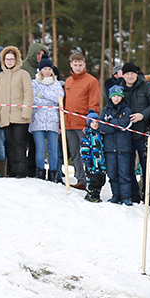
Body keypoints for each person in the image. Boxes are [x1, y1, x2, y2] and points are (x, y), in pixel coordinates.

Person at [120, 62, 150, 203]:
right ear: (123, 75)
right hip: (125, 135)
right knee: (128, 166)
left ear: (136, 74)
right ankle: (134, 195)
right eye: (127, 73)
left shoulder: (146, 86)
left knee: (147, 166)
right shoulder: (119, 89)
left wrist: (143, 115)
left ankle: (148, 196)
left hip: (144, 132)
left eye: (132, 73)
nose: (130, 76)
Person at [0, 46, 33, 178]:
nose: (9, 61)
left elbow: (28, 94)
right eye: (7, 59)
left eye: (12, 59)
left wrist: (26, 112)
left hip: (20, 116)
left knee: (19, 142)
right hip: (5, 116)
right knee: (8, 143)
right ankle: (12, 169)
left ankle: (21, 170)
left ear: (16, 60)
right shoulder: (0, 76)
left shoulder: (23, 74)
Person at [63, 51, 102, 188]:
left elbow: (94, 103)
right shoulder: (68, 81)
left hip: (83, 124)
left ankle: (91, 179)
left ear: (84, 65)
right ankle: (81, 180)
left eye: (80, 65)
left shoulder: (91, 81)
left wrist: (91, 121)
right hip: (69, 124)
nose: (78, 67)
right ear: (71, 65)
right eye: (75, 65)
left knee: (87, 152)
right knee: (75, 153)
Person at [29, 57, 64, 181]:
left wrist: (43, 95)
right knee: (40, 148)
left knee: (53, 149)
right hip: (37, 119)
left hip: (53, 120)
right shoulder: (34, 83)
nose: (47, 71)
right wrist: (50, 99)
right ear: (40, 70)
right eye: (45, 69)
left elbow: (59, 98)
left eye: (49, 69)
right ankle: (40, 173)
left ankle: (53, 174)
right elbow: (33, 99)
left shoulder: (57, 84)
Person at [101, 85, 134, 204]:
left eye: (118, 96)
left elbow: (125, 124)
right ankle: (115, 196)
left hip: (123, 147)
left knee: (124, 173)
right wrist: (116, 126)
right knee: (112, 173)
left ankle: (125, 197)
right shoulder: (105, 111)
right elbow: (102, 127)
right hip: (109, 148)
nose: (116, 98)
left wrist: (111, 122)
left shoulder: (126, 110)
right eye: (114, 96)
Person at [79, 110, 106, 203]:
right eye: (92, 122)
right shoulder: (87, 135)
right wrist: (87, 160)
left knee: (101, 180)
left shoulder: (101, 135)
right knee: (93, 180)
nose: (95, 124)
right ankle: (91, 195)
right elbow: (84, 149)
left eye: (96, 122)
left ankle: (97, 194)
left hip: (101, 163)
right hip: (92, 163)